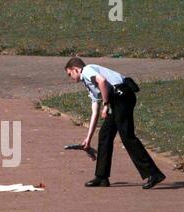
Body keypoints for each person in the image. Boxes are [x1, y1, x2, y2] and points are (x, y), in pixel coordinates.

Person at [64, 57, 166, 189]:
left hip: (122, 96)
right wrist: (88, 139)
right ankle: (101, 177)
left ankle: (154, 173)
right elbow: (95, 112)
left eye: (69, 74)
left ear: (75, 69)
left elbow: (102, 81)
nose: (70, 77)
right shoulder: (88, 83)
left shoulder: (87, 70)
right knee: (104, 135)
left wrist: (106, 105)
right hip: (115, 100)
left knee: (127, 136)